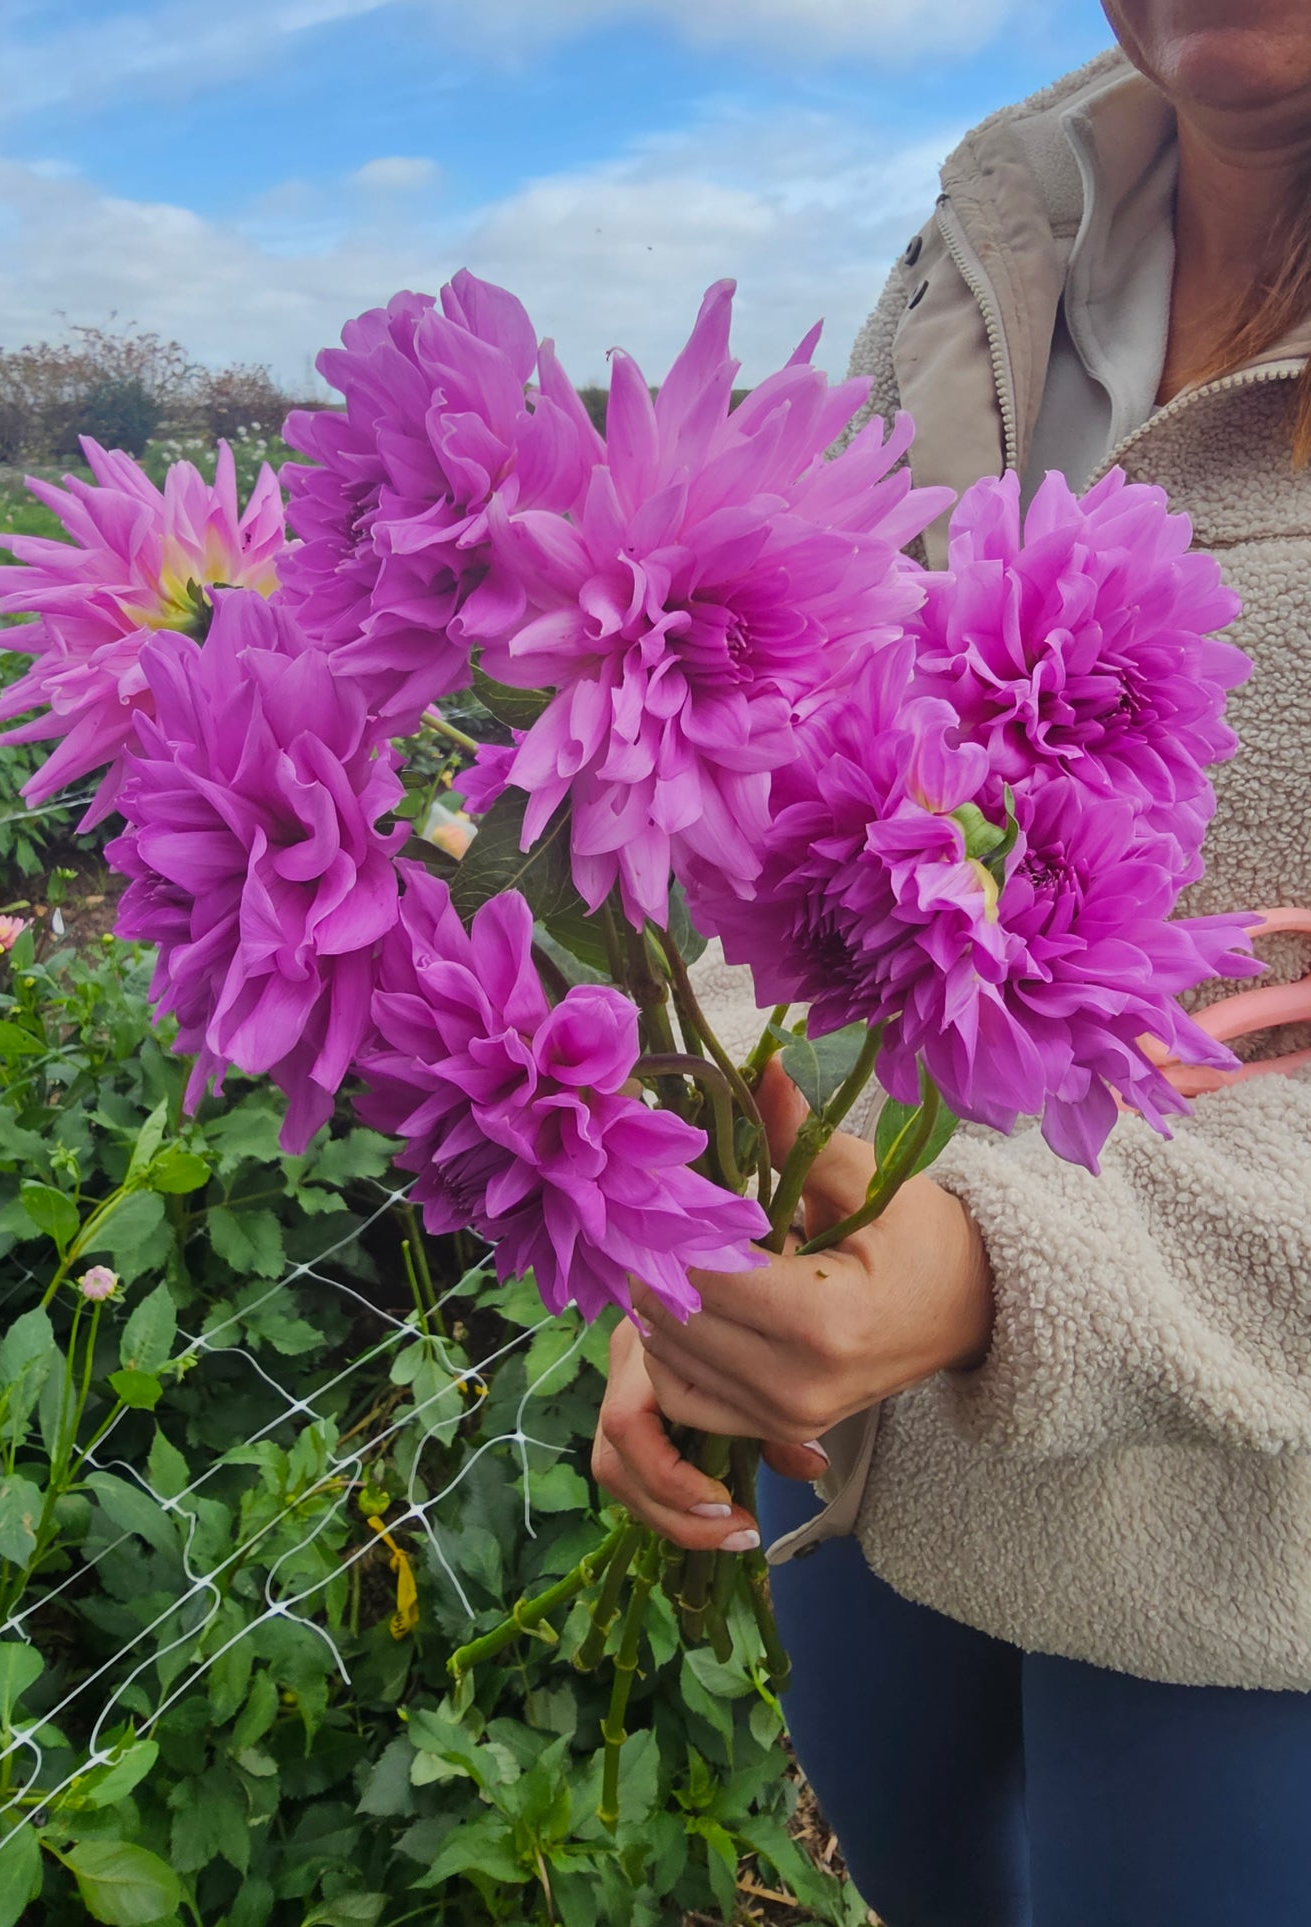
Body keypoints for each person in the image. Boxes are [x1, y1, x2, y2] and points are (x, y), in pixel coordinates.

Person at [593, 6, 1311, 1922]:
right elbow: (755, 786)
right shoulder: (995, 234)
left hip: (1246, 1510)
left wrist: (1007, 1254)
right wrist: (691, 1226)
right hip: (854, 1440)